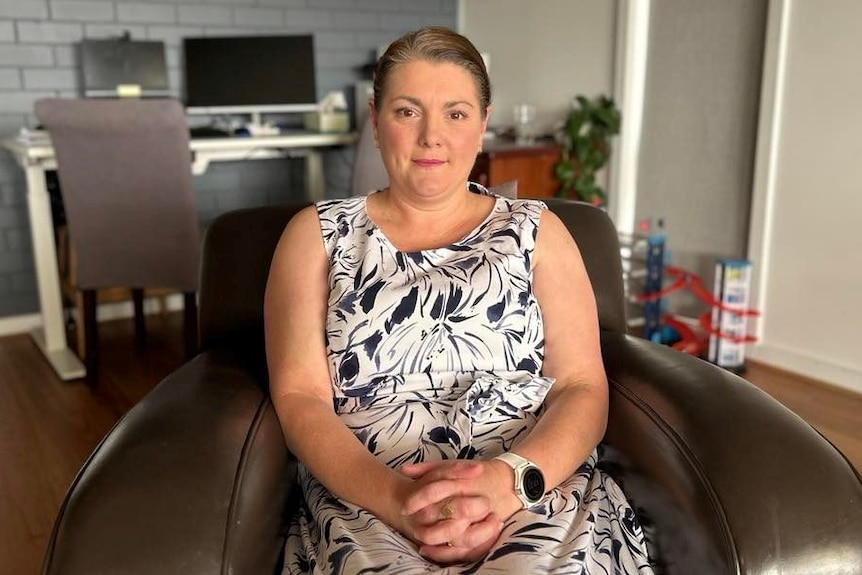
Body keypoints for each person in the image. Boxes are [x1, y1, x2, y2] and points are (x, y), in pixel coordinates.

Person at [264, 26, 653, 574]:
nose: (431, 137)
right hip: (370, 497)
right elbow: (301, 397)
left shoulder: (538, 232)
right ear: (375, 122)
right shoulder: (316, 236)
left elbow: (582, 386)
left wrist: (509, 483)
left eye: (456, 113)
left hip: (529, 485)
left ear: (483, 123)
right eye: (406, 112)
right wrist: (399, 501)